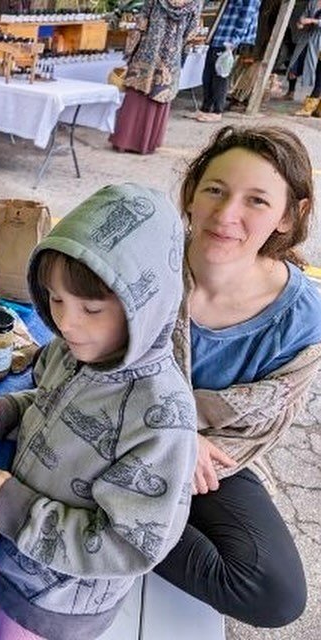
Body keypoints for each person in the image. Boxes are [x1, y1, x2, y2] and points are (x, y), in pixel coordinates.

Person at [0, 183, 198, 639]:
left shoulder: (162, 420)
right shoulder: (72, 350)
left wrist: (20, 510)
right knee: (0, 613)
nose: (67, 322)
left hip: (60, 598)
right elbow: (48, 404)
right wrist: (3, 413)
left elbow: (128, 543)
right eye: (56, 299)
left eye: (91, 307)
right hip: (20, 557)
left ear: (145, 307)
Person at [155, 125, 321, 627]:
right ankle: (123, 512)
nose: (227, 215)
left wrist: (186, 446)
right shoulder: (144, 260)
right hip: (117, 431)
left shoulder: (302, 318)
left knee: (276, 593)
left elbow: (256, 429)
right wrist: (175, 434)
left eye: (256, 200)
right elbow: (85, 358)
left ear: (291, 215)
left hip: (219, 457)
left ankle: (116, 523)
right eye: (215, 190)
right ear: (190, 194)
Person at [109, 0, 201, 154]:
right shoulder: (195, 2)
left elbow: (142, 23)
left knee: (137, 96)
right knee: (159, 95)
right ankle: (147, 144)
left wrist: (130, 52)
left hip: (147, 53)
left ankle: (125, 141)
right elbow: (191, 32)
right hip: (170, 58)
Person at [192, 0, 262, 122]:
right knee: (208, 74)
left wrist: (234, 40)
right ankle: (205, 108)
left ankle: (217, 111)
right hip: (218, 34)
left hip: (228, 38)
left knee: (220, 75)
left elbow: (246, 16)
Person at [286, 0, 321, 116]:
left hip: (318, 41)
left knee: (319, 74)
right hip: (307, 38)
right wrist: (301, 22)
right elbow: (304, 15)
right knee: (293, 66)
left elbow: (311, 20)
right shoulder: (314, 2)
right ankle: (291, 92)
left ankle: (311, 106)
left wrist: (312, 20)